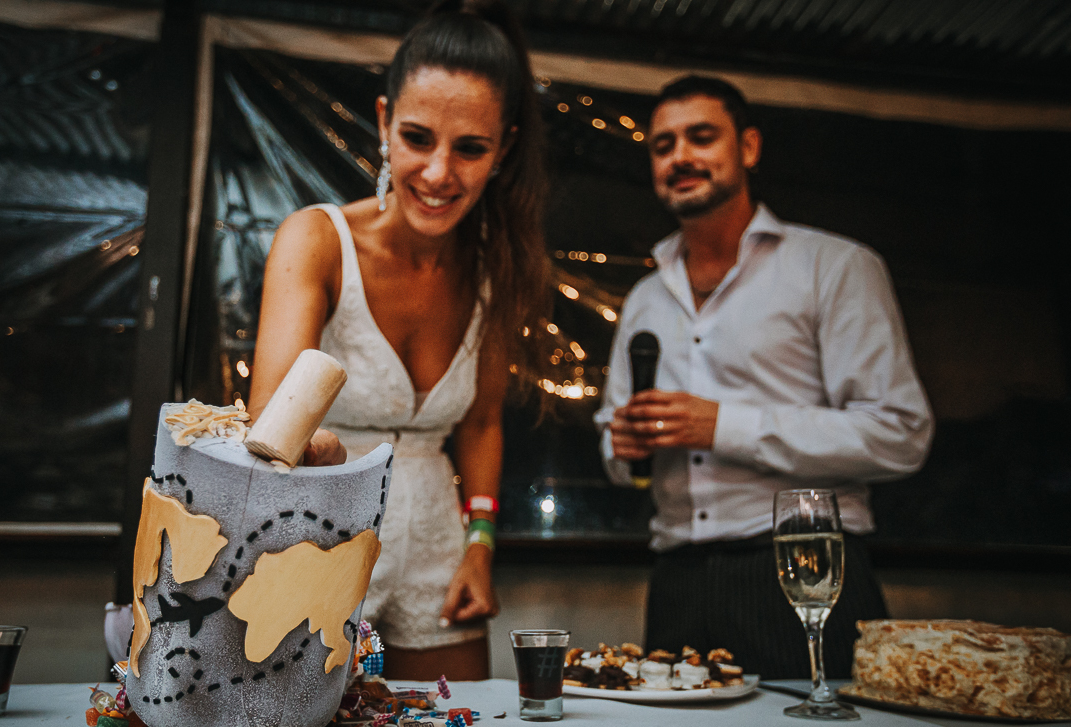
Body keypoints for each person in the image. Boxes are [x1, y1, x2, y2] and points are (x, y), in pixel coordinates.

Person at [595, 76, 933, 679]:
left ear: (748, 147)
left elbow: (900, 434)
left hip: (805, 564)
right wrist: (623, 447)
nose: (680, 157)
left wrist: (721, 426)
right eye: (663, 145)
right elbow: (614, 447)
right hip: (676, 578)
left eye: (701, 137)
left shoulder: (834, 267)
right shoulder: (645, 297)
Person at [248, 1, 548, 681]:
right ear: (383, 122)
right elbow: (270, 420)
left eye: (470, 148)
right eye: (417, 137)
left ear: (503, 149)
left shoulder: (497, 268)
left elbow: (482, 422)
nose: (439, 173)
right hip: (315, 535)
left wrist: (480, 543)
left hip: (439, 547)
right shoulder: (317, 241)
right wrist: (325, 469)